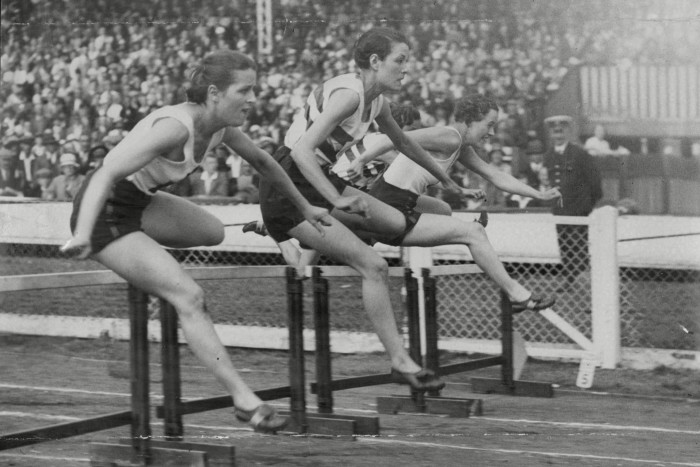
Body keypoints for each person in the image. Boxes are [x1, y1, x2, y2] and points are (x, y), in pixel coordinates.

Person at [61, 50, 331, 433]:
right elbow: (105, 173)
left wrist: (305, 208)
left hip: (138, 203)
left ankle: (147, 265)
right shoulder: (176, 127)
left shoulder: (220, 127)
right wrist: (84, 233)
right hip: (102, 210)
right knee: (190, 297)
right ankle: (244, 400)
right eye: (245, 90)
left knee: (213, 233)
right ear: (214, 93)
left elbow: (266, 164)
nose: (254, 99)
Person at [260, 27, 464, 392]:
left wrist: (445, 180)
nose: (406, 69)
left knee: (394, 221)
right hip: (290, 185)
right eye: (400, 61)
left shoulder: (377, 101)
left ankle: (329, 238)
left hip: (318, 178)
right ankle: (400, 361)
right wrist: (337, 201)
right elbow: (301, 152)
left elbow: (403, 143)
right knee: (375, 266)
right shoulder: (350, 96)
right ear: (375, 61)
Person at [543, 115, 603, 288]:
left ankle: (583, 280)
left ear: (568, 132)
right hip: (559, 209)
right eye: (555, 132)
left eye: (561, 131)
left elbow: (595, 182)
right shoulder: (549, 156)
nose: (558, 135)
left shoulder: (580, 154)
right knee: (564, 243)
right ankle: (569, 279)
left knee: (579, 243)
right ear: (551, 134)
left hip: (578, 208)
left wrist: (587, 206)